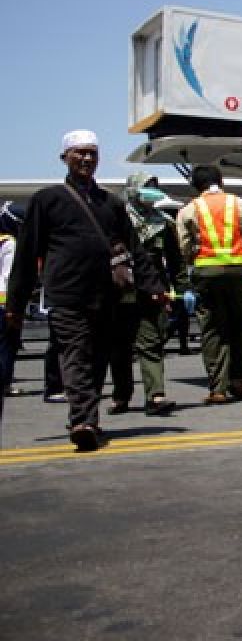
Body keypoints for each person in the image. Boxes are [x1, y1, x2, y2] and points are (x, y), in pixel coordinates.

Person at [5, 131, 164, 451]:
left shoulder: (111, 203)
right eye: (79, 153)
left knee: (97, 358)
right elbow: (26, 253)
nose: (87, 159)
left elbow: (134, 248)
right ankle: (83, 420)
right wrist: (16, 304)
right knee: (75, 354)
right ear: (64, 157)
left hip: (106, 295)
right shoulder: (47, 200)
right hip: (67, 294)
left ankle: (86, 414)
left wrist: (155, 287)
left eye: (92, 153)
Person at [176, 165, 242, 404]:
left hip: (206, 274)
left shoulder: (188, 210)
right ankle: (239, 380)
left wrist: (193, 263)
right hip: (239, 274)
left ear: (196, 186)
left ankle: (218, 388)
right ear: (221, 181)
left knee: (213, 330)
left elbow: (185, 248)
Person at [107, 174, 182, 416]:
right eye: (146, 188)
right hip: (120, 291)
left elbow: (175, 261)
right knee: (119, 346)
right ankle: (121, 396)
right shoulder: (115, 220)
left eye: (154, 188)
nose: (152, 192)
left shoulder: (164, 224)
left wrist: (181, 289)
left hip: (151, 290)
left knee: (151, 343)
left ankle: (155, 395)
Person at [1, 201, 24, 422]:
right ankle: (5, 383)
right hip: (4, 303)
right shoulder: (11, 244)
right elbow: (9, 277)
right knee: (7, 347)